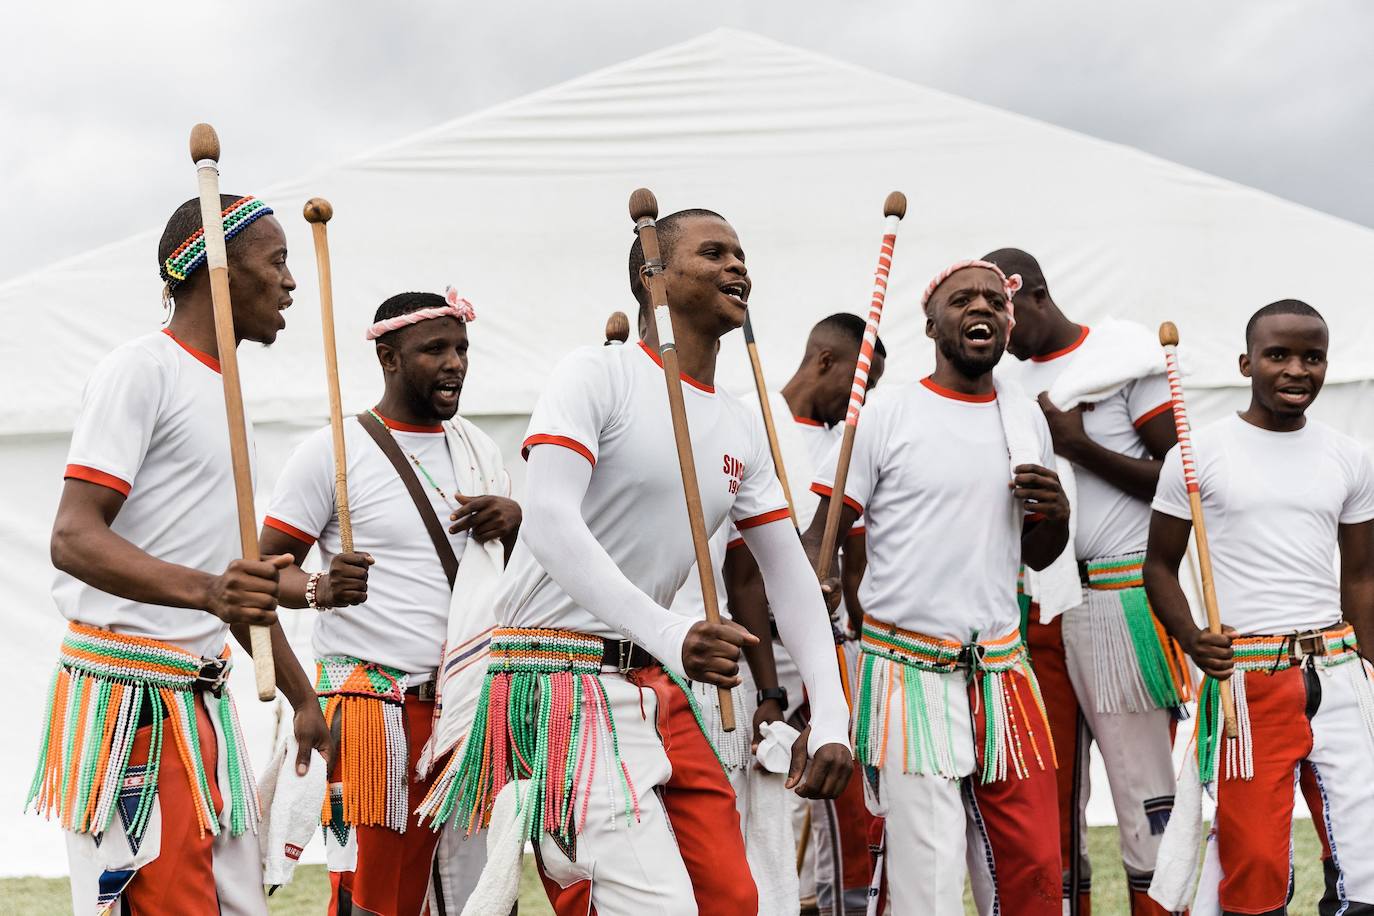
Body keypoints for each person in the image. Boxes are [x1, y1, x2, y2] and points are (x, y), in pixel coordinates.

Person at [427, 208, 854, 915]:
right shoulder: (598, 373)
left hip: (656, 682)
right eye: (713, 252)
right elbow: (551, 525)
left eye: (742, 255)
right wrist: (671, 632)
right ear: (652, 275)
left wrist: (833, 716)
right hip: (559, 677)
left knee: (732, 899)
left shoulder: (742, 423)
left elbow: (789, 575)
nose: (737, 266)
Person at [27, 194, 323, 915]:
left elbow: (234, 583)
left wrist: (302, 695)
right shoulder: (142, 369)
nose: (290, 283)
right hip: (130, 707)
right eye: (277, 262)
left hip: (197, 708)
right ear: (218, 274)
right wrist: (206, 594)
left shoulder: (226, 396)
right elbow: (72, 535)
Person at [806, 259, 1069, 914]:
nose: (980, 306)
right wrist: (825, 577)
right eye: (961, 299)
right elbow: (822, 535)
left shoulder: (1023, 418)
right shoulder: (886, 413)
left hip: (1002, 676)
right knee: (929, 875)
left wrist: (1057, 513)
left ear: (1008, 321)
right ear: (931, 323)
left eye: (993, 299)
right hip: (908, 680)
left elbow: (1038, 550)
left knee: (1033, 868)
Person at [261, 289, 519, 914]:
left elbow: (517, 582)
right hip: (378, 716)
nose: (455, 363)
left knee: (479, 893)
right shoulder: (331, 453)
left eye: (461, 349)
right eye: (434, 349)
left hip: (471, 708)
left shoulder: (480, 450)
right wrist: (321, 589)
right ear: (388, 357)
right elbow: (261, 578)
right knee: (380, 896)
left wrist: (516, 523)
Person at [1145, 300, 1374, 915]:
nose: (1297, 369)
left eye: (1313, 357)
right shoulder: (1198, 455)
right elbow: (1158, 567)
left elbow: (1361, 579)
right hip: (1248, 685)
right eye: (1278, 355)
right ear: (1247, 362)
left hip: (1339, 672)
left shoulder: (1350, 457)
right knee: (1256, 869)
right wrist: (1193, 637)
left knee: (1367, 861)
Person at [985, 247, 1186, 914]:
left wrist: (1078, 446)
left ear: (1034, 295)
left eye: (1004, 319)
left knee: (1142, 791)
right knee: (1049, 796)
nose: (999, 337)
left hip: (1119, 597)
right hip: (1039, 602)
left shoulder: (1123, 356)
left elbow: (1188, 480)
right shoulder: (1005, 387)